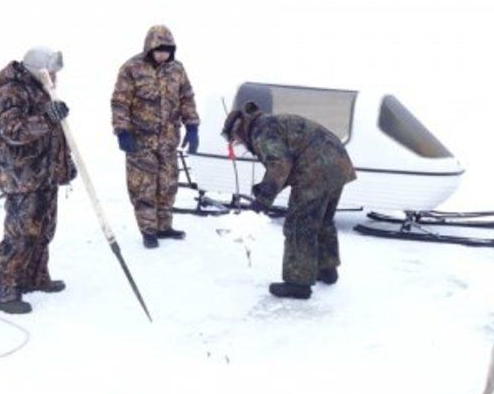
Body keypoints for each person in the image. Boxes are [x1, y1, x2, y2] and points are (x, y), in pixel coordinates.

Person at [221, 101, 357, 299]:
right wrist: (264, 192)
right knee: (322, 221)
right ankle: (327, 269)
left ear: (240, 129)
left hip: (316, 168)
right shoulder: (270, 123)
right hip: (338, 164)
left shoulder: (261, 131)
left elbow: (280, 164)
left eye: (236, 140)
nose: (239, 144)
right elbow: (288, 165)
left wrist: (263, 199)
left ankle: (298, 283)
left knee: (299, 224)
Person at [0, 46, 76, 314]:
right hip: (23, 178)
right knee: (20, 235)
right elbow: (14, 132)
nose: (55, 76)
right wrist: (48, 118)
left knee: (44, 230)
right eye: (51, 71)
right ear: (38, 71)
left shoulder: (42, 93)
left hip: (45, 176)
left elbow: (54, 135)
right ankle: (5, 292)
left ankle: (35, 278)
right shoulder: (9, 94)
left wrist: (65, 163)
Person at [111, 25, 200, 248]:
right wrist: (122, 131)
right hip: (140, 141)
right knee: (144, 187)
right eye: (160, 50)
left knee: (167, 184)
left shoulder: (177, 69)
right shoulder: (131, 68)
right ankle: (148, 231)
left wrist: (192, 127)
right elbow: (120, 102)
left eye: (168, 50)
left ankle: (164, 226)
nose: (164, 54)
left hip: (168, 140)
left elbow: (186, 98)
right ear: (150, 48)